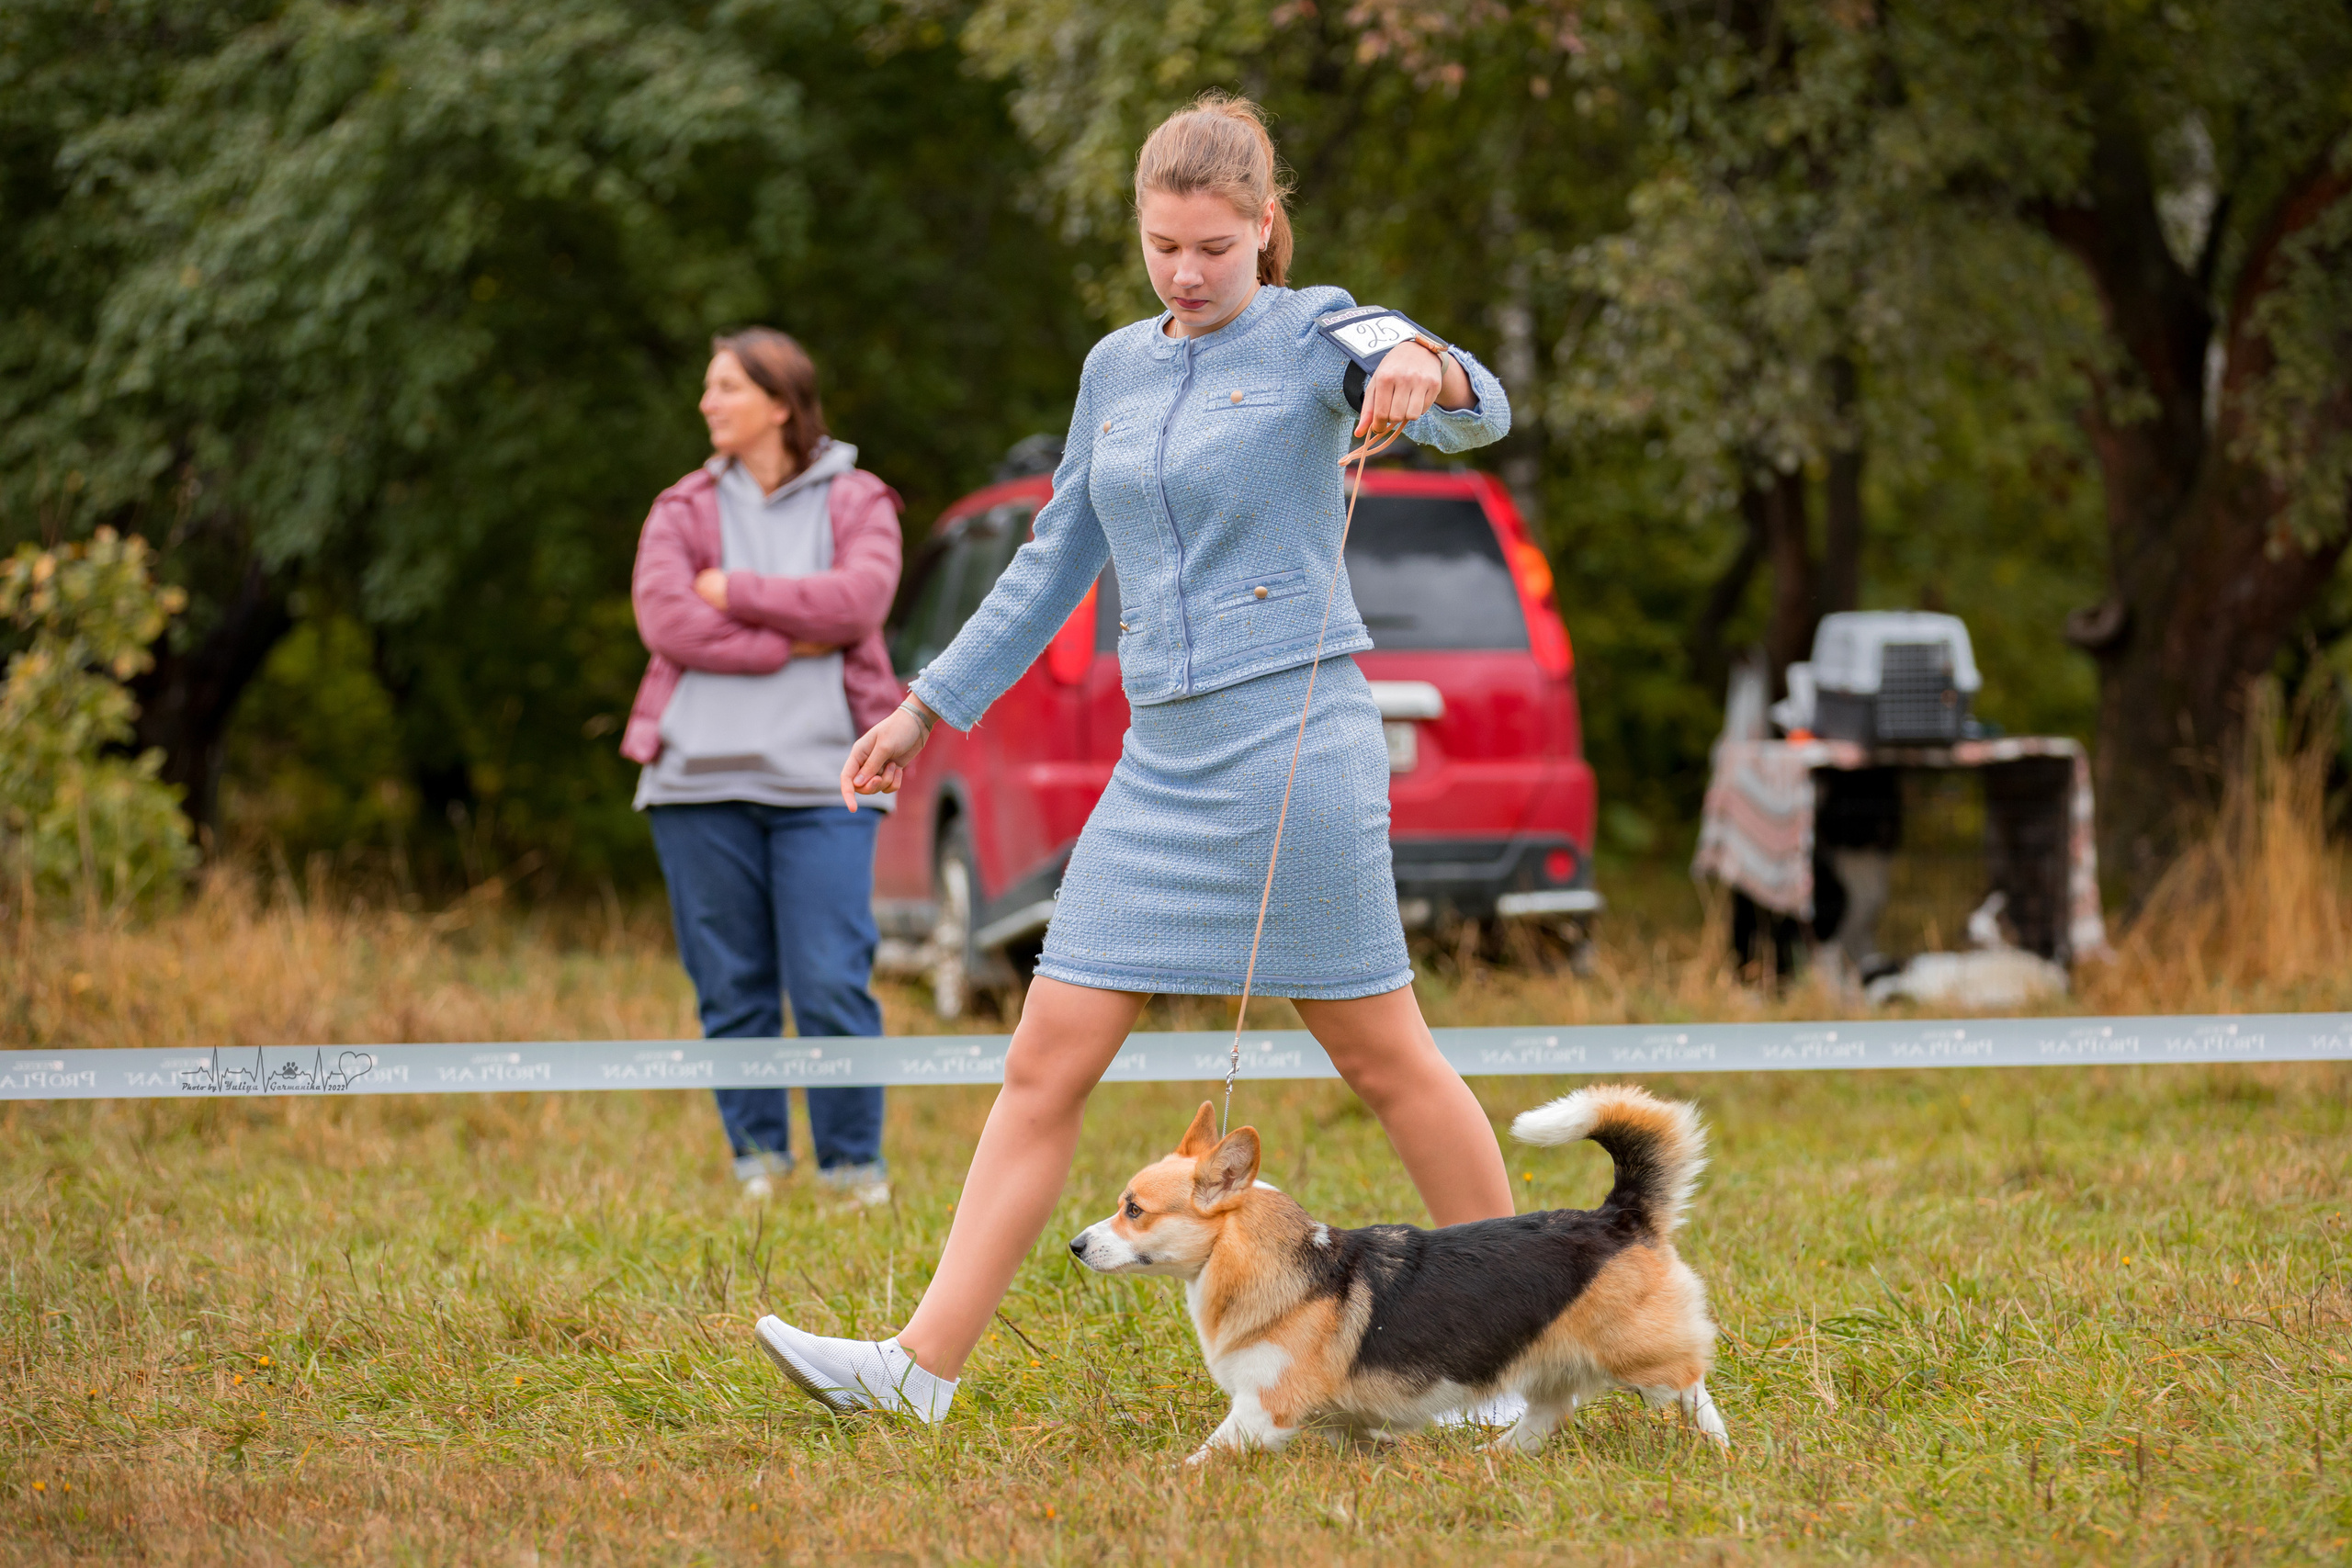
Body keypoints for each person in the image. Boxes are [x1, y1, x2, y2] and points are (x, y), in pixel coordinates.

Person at [752, 93, 1515, 1420]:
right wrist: (925, 708)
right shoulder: (1114, 366)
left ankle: (1510, 1351)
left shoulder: (1319, 332)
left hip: (1293, 741)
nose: (1186, 271)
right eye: (1164, 245)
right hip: (1159, 763)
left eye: (1214, 246)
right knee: (1040, 1063)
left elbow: (1476, 407)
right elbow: (1052, 559)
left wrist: (1423, 365)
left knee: (1386, 1058)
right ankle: (917, 1369)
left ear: (1264, 227)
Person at [623, 328, 902, 1206]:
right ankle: (760, 1165)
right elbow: (669, 623)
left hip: (827, 784)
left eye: (727, 387)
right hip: (696, 785)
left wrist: (734, 591)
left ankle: (852, 1169)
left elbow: (858, 601)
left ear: (781, 402)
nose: (707, 402)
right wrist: (792, 641)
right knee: (731, 986)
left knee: (829, 979)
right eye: (709, 387)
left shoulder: (858, 498)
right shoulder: (681, 508)